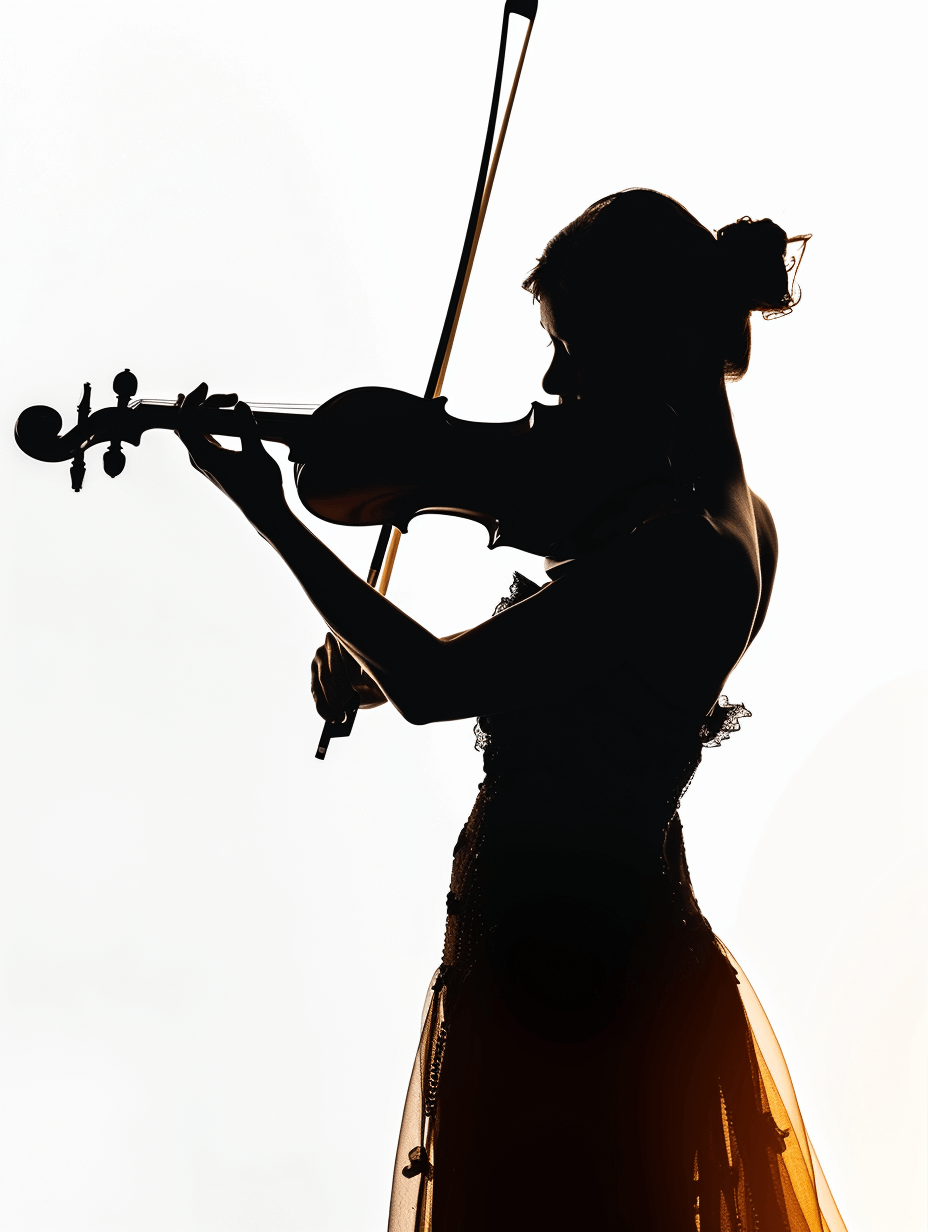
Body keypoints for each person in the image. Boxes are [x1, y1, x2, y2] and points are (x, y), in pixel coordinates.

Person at [176, 189, 843, 1231]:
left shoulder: (687, 548)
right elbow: (585, 686)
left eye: (575, 350)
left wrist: (274, 520)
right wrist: (374, 661)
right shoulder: (738, 521)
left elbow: (443, 685)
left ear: (660, 348)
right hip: (588, 943)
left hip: (567, 987)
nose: (551, 384)